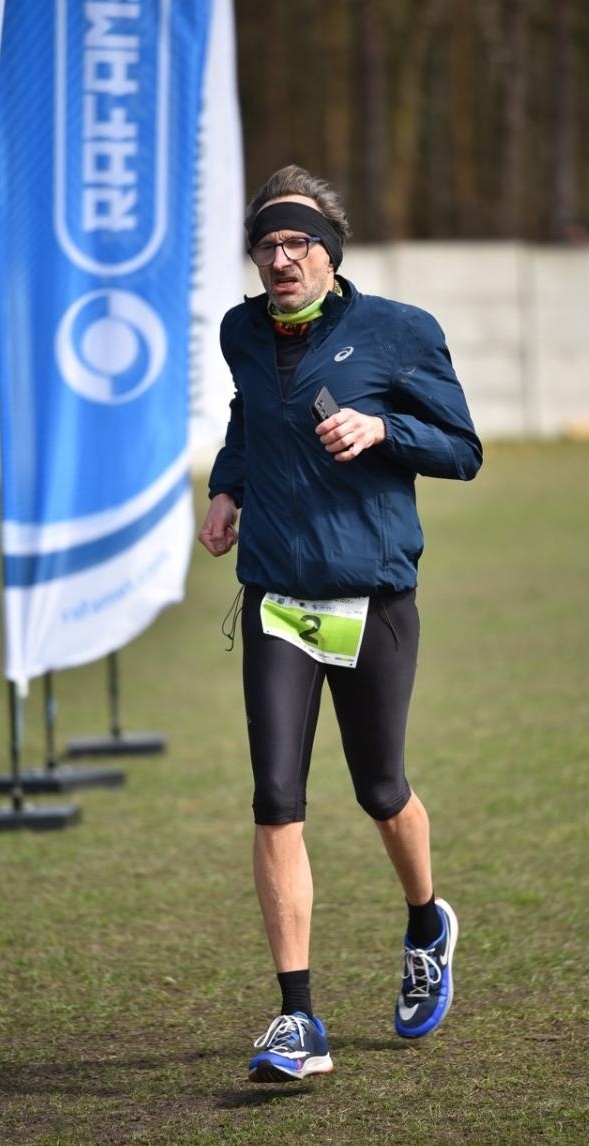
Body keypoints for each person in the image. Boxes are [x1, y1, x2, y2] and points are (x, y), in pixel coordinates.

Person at [199, 164, 482, 1084]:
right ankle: (297, 1019)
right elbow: (251, 415)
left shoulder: (400, 332)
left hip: (372, 598)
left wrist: (380, 431)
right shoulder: (241, 330)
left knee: (380, 790)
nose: (279, 260)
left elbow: (462, 450)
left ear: (329, 254)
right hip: (279, 597)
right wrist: (228, 488)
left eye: (296, 244)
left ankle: (424, 920)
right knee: (275, 798)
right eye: (266, 246)